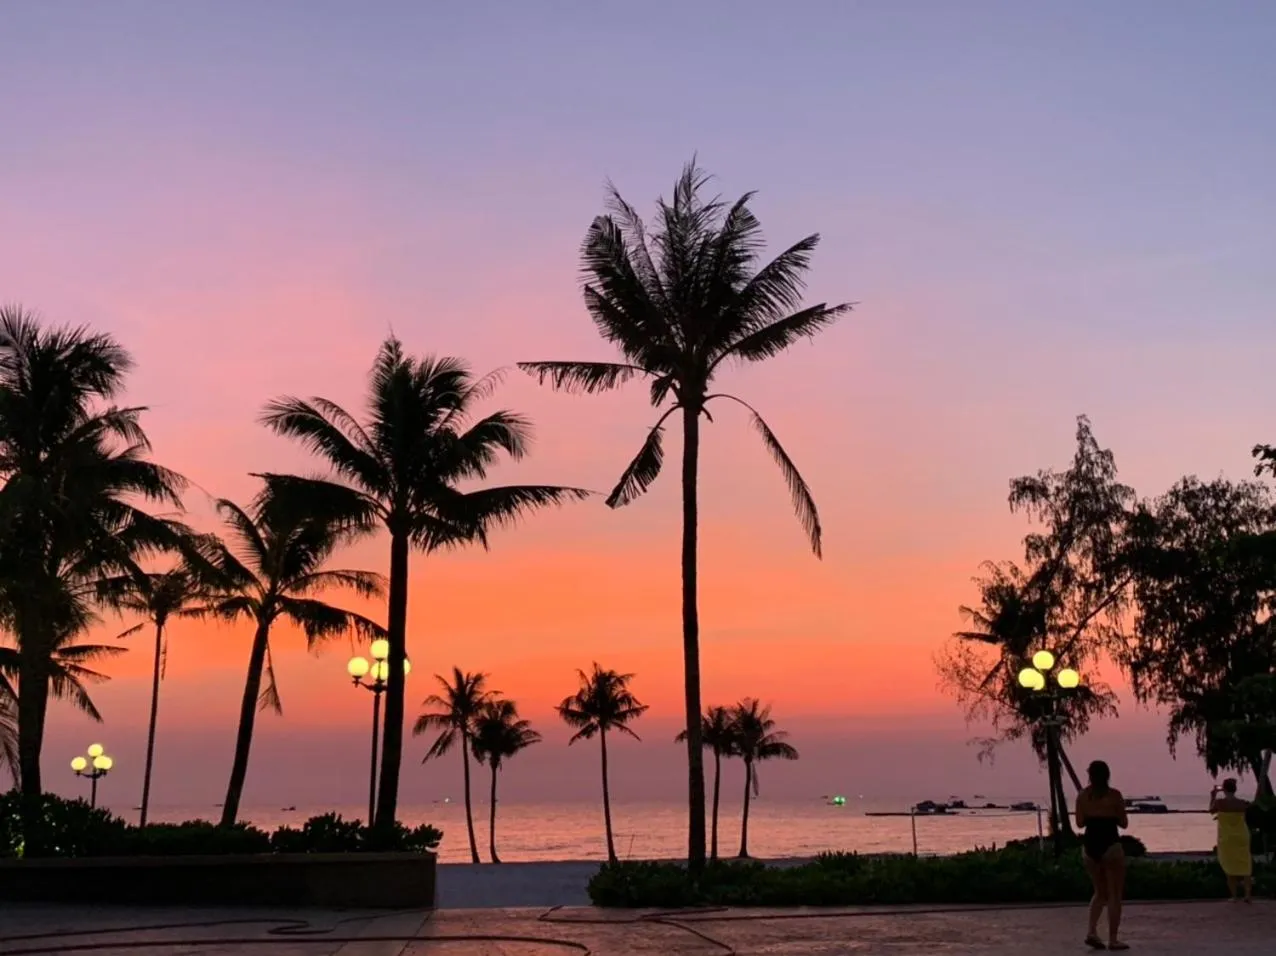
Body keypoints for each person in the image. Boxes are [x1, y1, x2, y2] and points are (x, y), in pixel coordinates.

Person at [1075, 760, 1129, 951]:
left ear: (1089, 774)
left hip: (1090, 845)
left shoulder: (1082, 796)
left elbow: (1080, 823)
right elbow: (1124, 823)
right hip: (1110, 844)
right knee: (1114, 894)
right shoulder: (1114, 795)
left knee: (1099, 892)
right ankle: (1113, 939)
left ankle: (1091, 931)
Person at [1210, 778, 1252, 902]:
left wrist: (1213, 796)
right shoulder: (1242, 803)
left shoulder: (1220, 803)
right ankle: (1247, 895)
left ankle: (1234, 896)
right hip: (1242, 836)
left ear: (1224, 788)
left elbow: (1211, 810)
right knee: (1245, 865)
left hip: (1227, 837)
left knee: (1229, 865)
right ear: (1235, 789)